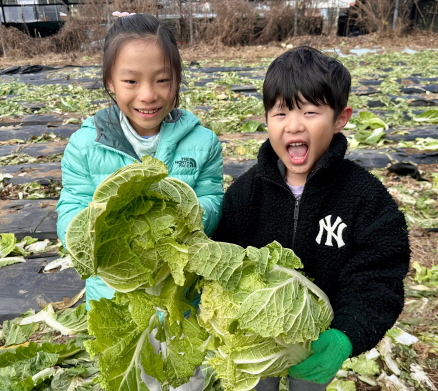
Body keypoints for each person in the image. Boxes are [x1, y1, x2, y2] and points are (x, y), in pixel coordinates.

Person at [212, 46, 410, 390]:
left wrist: (345, 336)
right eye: (281, 113)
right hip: (256, 339)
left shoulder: (365, 198)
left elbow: (378, 277)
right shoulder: (246, 193)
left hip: (320, 340)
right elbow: (219, 256)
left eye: (310, 112)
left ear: (340, 118)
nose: (294, 126)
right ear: (266, 119)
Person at [56, 13, 223, 309]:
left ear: (177, 79)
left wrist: (186, 218)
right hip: (114, 294)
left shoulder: (203, 142)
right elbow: (72, 206)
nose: (148, 95)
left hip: (181, 291)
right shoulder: (84, 146)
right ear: (110, 81)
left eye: (162, 80)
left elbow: (212, 198)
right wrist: (96, 240)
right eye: (131, 81)